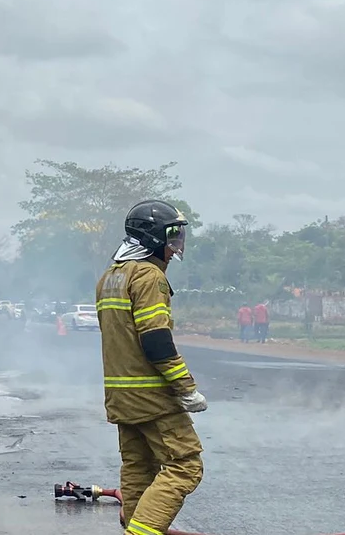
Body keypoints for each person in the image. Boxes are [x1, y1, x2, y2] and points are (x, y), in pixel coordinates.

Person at [96, 200, 207, 535]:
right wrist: (186, 388)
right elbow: (156, 341)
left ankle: (135, 527)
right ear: (153, 237)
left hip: (121, 396)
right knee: (185, 466)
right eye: (171, 237)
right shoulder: (148, 276)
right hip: (153, 397)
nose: (175, 249)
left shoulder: (110, 277)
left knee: (138, 468)